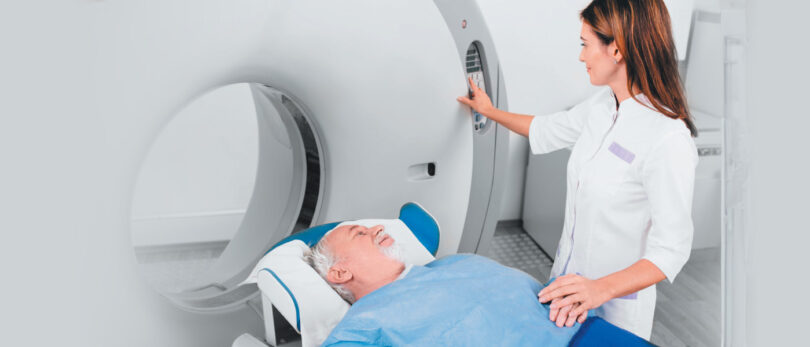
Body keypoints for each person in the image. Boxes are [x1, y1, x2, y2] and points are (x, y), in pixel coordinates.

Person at [456, 0, 697, 339]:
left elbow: (671, 248)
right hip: (566, 288)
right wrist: (488, 111)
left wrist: (599, 289)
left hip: (615, 308)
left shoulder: (667, 137)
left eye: (585, 44)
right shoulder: (601, 107)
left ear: (617, 49)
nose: (581, 56)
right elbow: (544, 128)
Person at [307, 224, 585, 346]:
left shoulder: (456, 262)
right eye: (360, 233)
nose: (377, 227)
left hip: (587, 332)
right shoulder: (363, 325)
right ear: (340, 273)